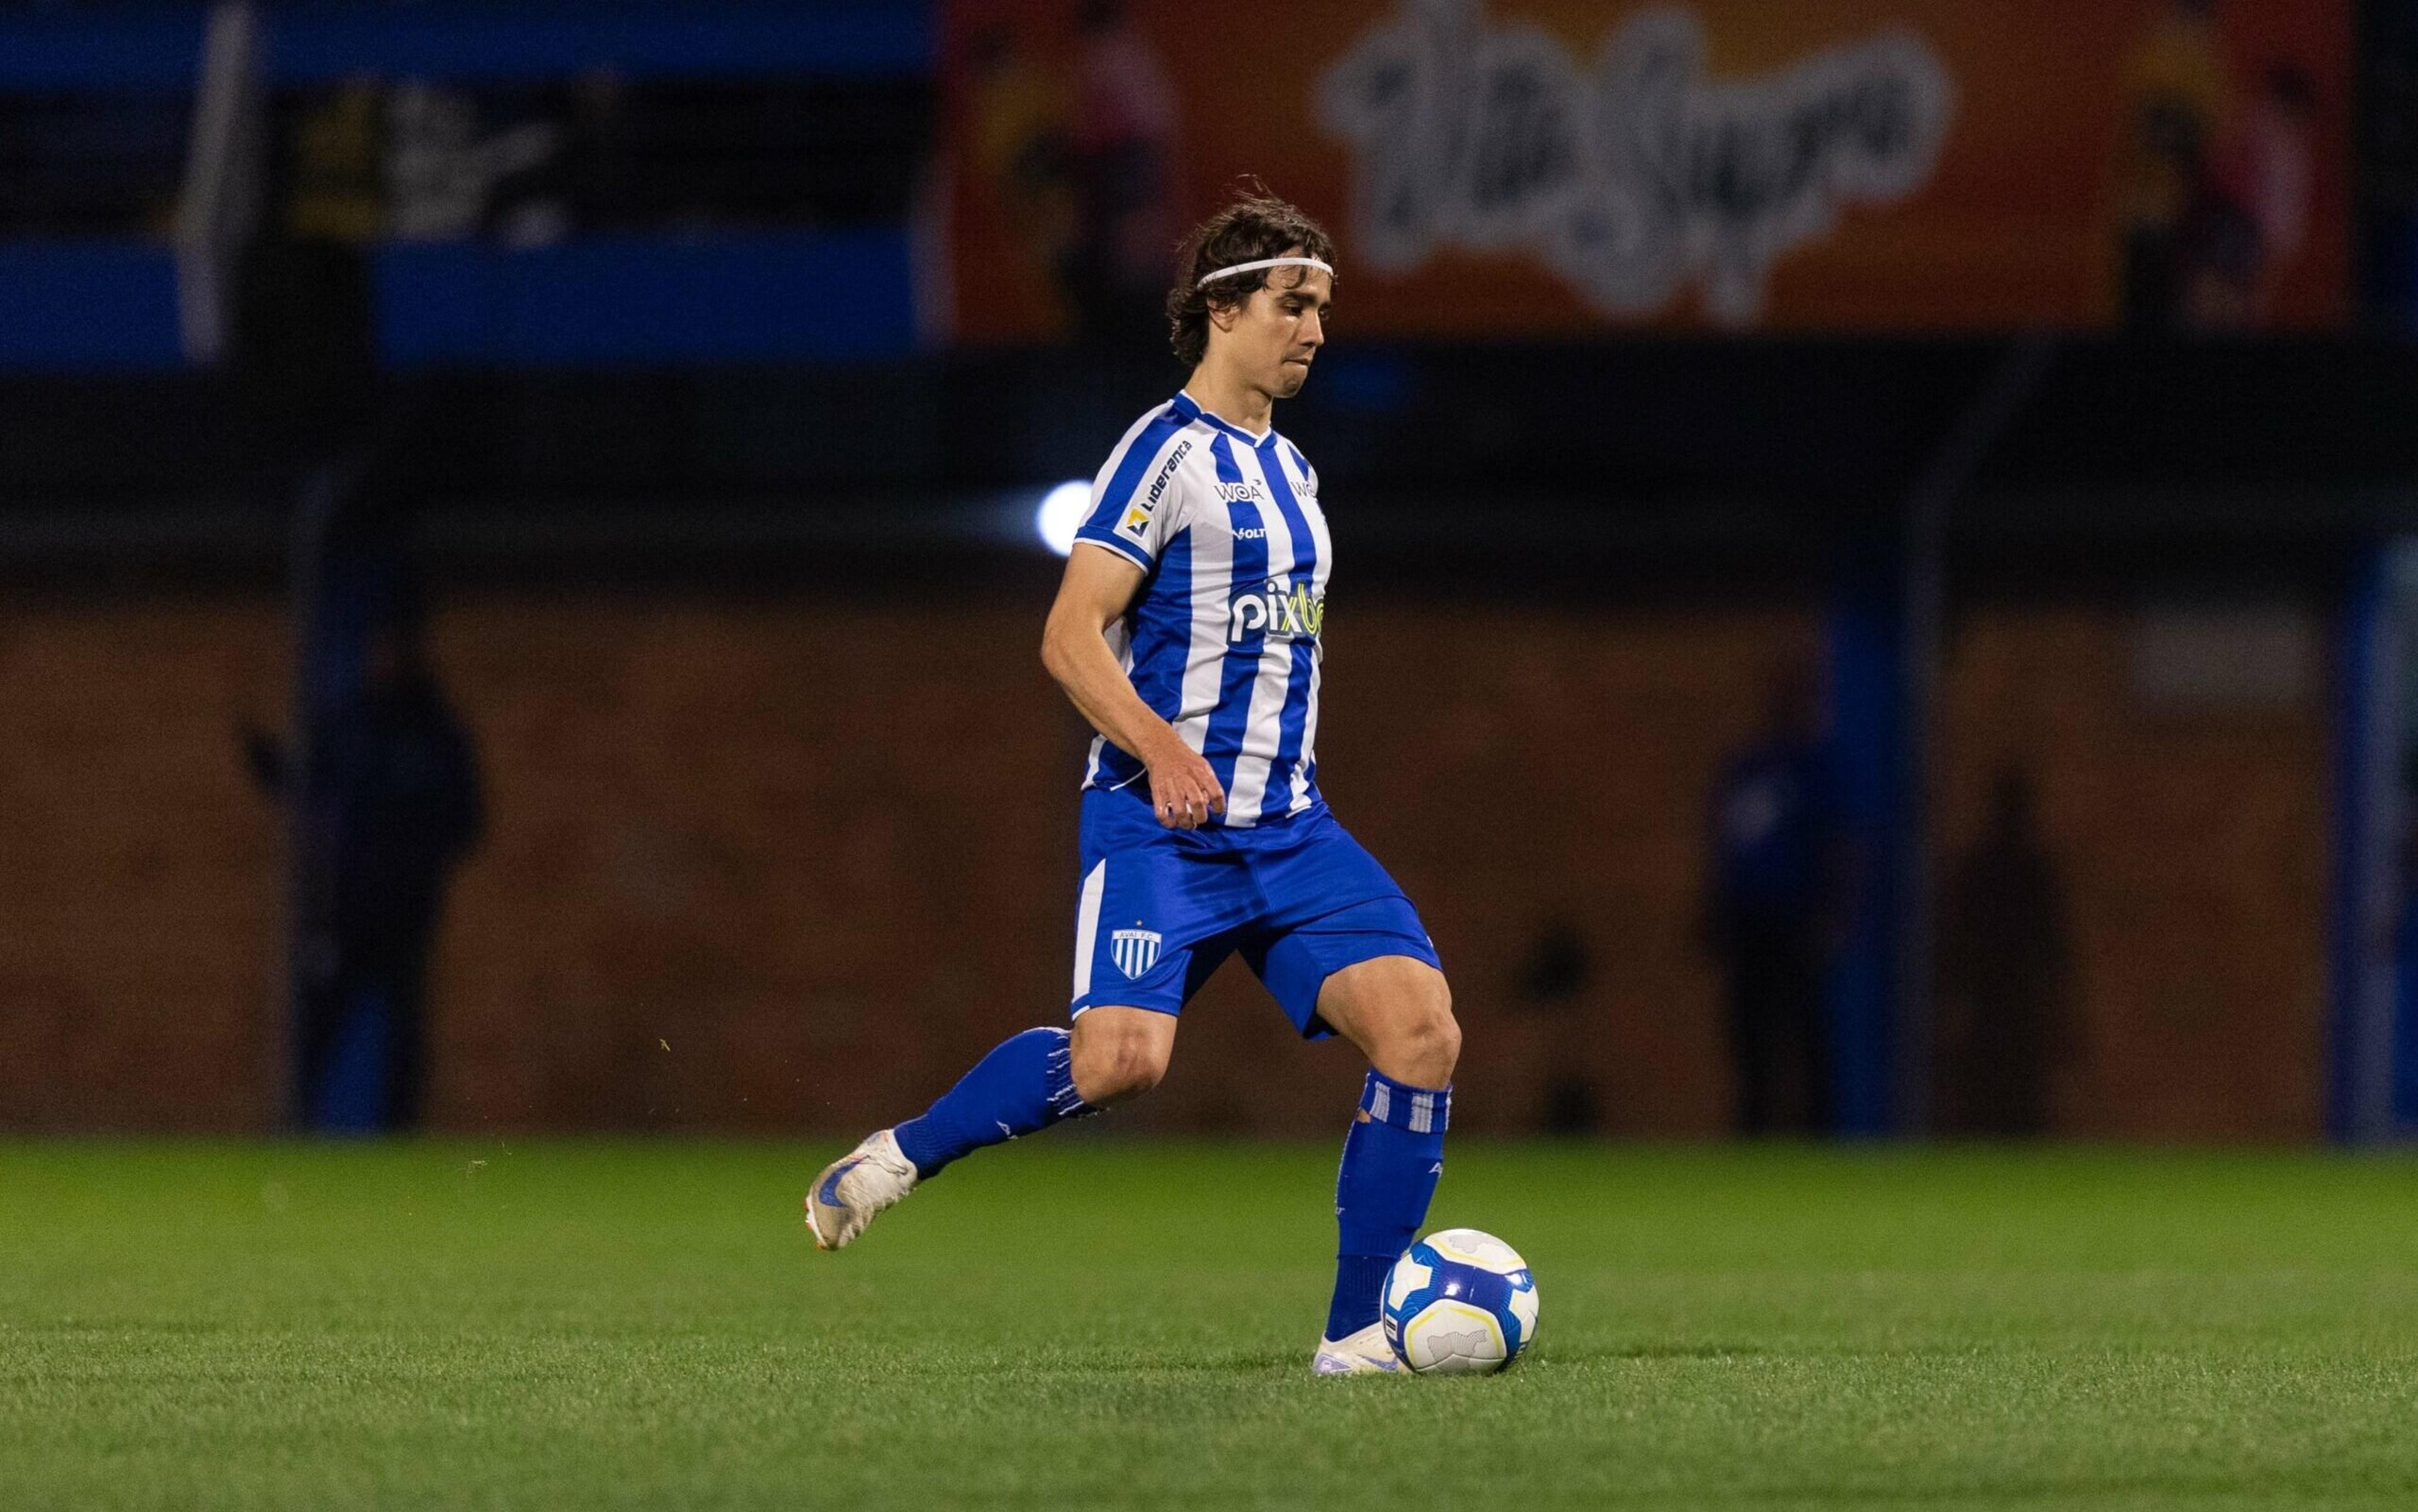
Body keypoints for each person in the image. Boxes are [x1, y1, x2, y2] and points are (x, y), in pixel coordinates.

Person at [807, 188, 1459, 1377]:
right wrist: (1162, 746)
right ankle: (901, 1154)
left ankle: (1356, 1335)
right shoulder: (1162, 456)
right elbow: (1069, 635)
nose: (1315, 328)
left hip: (1293, 832)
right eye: (1293, 304)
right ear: (1223, 309)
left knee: (1423, 1035)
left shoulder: (1298, 476)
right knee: (1121, 1065)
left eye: (1323, 307)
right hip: (1161, 827)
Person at [245, 617, 484, 1130]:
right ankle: (297, 1130)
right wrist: (269, 762)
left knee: (403, 1034)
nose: (382, 660)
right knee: (320, 1025)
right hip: (348, 911)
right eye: (375, 649)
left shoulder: (435, 732)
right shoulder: (351, 725)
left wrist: (415, 848)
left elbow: (468, 822)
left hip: (407, 913)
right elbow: (306, 781)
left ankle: (400, 1137)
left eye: (392, 648)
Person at [1701, 661, 1846, 1136]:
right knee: (1750, 1038)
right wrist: (1713, 910)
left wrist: (1834, 912)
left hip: (1798, 920)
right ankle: (1754, 1134)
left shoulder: (1814, 769)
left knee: (1808, 1036)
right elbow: (1723, 844)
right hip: (1749, 922)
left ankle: (1821, 1139)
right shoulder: (1748, 766)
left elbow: (1843, 845)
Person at [1934, 766, 2075, 1136]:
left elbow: (2054, 947)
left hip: (2017, 998)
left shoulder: (2030, 870)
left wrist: (2063, 1010)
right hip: (1990, 996)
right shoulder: (1984, 868)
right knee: (1986, 1094)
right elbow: (1958, 938)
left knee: (2019, 1095)